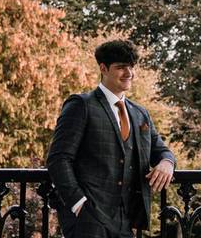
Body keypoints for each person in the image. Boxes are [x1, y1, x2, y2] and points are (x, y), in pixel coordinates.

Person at [47, 40, 176, 238]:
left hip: (126, 220)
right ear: (103, 68)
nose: (129, 73)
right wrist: (78, 204)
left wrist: (167, 163)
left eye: (131, 67)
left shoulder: (140, 114)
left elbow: (160, 151)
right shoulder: (81, 105)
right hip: (88, 218)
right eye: (121, 67)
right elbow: (58, 159)